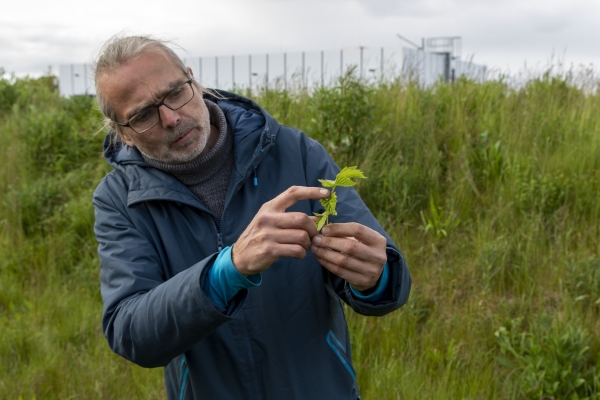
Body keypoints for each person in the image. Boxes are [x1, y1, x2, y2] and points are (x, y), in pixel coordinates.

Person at [92, 35, 411, 400]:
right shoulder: (120, 200)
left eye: (175, 92)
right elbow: (132, 333)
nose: (171, 117)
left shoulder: (294, 152)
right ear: (122, 134)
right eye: (144, 115)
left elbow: (389, 282)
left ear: (193, 80)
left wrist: (376, 277)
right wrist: (227, 269)